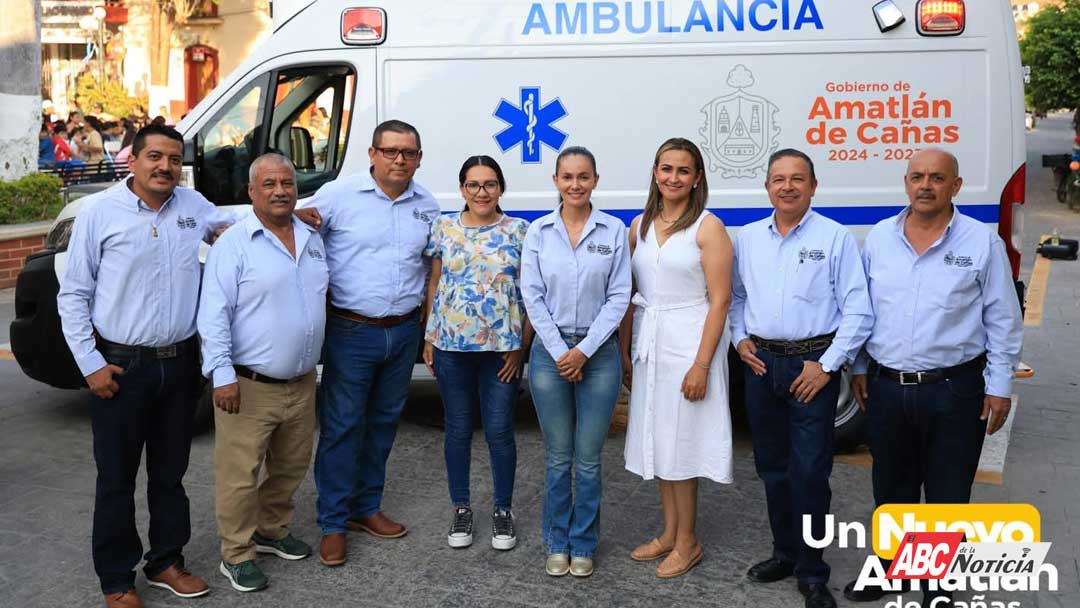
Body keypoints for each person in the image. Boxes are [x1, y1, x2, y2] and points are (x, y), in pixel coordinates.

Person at [842, 149, 1024, 608]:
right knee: (891, 485)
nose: (926, 185)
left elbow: (1003, 318)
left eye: (937, 178)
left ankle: (935, 582)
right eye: (917, 176)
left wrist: (999, 385)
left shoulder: (981, 243)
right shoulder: (881, 238)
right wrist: (860, 366)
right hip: (886, 385)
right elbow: (863, 311)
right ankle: (890, 570)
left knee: (946, 488)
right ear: (906, 183)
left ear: (955, 186)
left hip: (954, 388)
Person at [56, 124, 227, 608]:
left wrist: (296, 215)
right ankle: (117, 579)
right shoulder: (100, 213)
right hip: (120, 368)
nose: (165, 167)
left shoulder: (195, 208)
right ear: (132, 159)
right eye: (155, 156)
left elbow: (240, 225)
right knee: (116, 478)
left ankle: (166, 561)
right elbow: (73, 295)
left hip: (180, 365)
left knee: (171, 474)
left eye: (174, 160)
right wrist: (90, 364)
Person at [730, 149, 873, 608]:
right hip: (760, 365)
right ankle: (785, 554)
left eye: (797, 179)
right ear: (767, 187)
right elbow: (735, 297)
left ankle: (813, 573)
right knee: (771, 467)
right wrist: (739, 340)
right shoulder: (749, 238)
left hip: (813, 366)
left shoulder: (835, 238)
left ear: (814, 186)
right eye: (778, 179)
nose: (787, 186)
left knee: (811, 471)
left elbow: (857, 309)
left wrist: (828, 364)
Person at [305, 119, 440, 567]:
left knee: (384, 424)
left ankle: (366, 508)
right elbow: (297, 235)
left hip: (403, 331)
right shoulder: (338, 197)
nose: (400, 159)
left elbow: (433, 268)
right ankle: (332, 522)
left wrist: (428, 328)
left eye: (409, 152)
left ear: (419, 158)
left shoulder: (427, 205)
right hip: (352, 330)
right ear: (372, 153)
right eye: (391, 151)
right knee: (343, 426)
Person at [197, 153, 329, 593]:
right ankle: (236, 554)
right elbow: (213, 314)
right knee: (239, 474)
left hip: (302, 381)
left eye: (287, 183)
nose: (279, 191)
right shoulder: (233, 244)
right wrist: (221, 375)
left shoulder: (312, 238)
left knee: (291, 466)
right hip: (249, 384)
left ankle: (271, 529)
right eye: (268, 184)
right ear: (251, 192)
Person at [620, 138, 734, 578]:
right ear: (654, 171)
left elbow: (721, 300)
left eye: (683, 171)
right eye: (666, 168)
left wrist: (701, 364)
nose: (673, 177)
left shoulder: (708, 227)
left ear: (697, 178)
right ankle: (670, 532)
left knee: (682, 445)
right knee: (659, 439)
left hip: (689, 345)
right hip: (652, 344)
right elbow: (632, 295)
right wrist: (629, 353)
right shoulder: (640, 225)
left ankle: (688, 542)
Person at [521, 146, 631, 578]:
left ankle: (583, 543)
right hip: (550, 354)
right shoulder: (539, 232)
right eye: (567, 177)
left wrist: (584, 350)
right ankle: (556, 541)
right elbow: (531, 293)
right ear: (555, 181)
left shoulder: (613, 230)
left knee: (588, 459)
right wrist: (558, 348)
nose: (575, 184)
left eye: (583, 176)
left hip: (598, 352)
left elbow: (620, 294)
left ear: (596, 180)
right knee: (557, 456)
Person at [421, 155, 532, 551]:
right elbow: (436, 283)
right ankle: (461, 507)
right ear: (462, 188)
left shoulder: (520, 231)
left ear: (501, 188)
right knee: (458, 428)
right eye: (473, 185)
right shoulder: (444, 228)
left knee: (500, 430)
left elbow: (530, 295)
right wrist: (430, 337)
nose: (481, 192)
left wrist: (521, 347)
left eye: (489, 184)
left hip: (502, 352)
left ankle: (503, 510)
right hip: (452, 348)